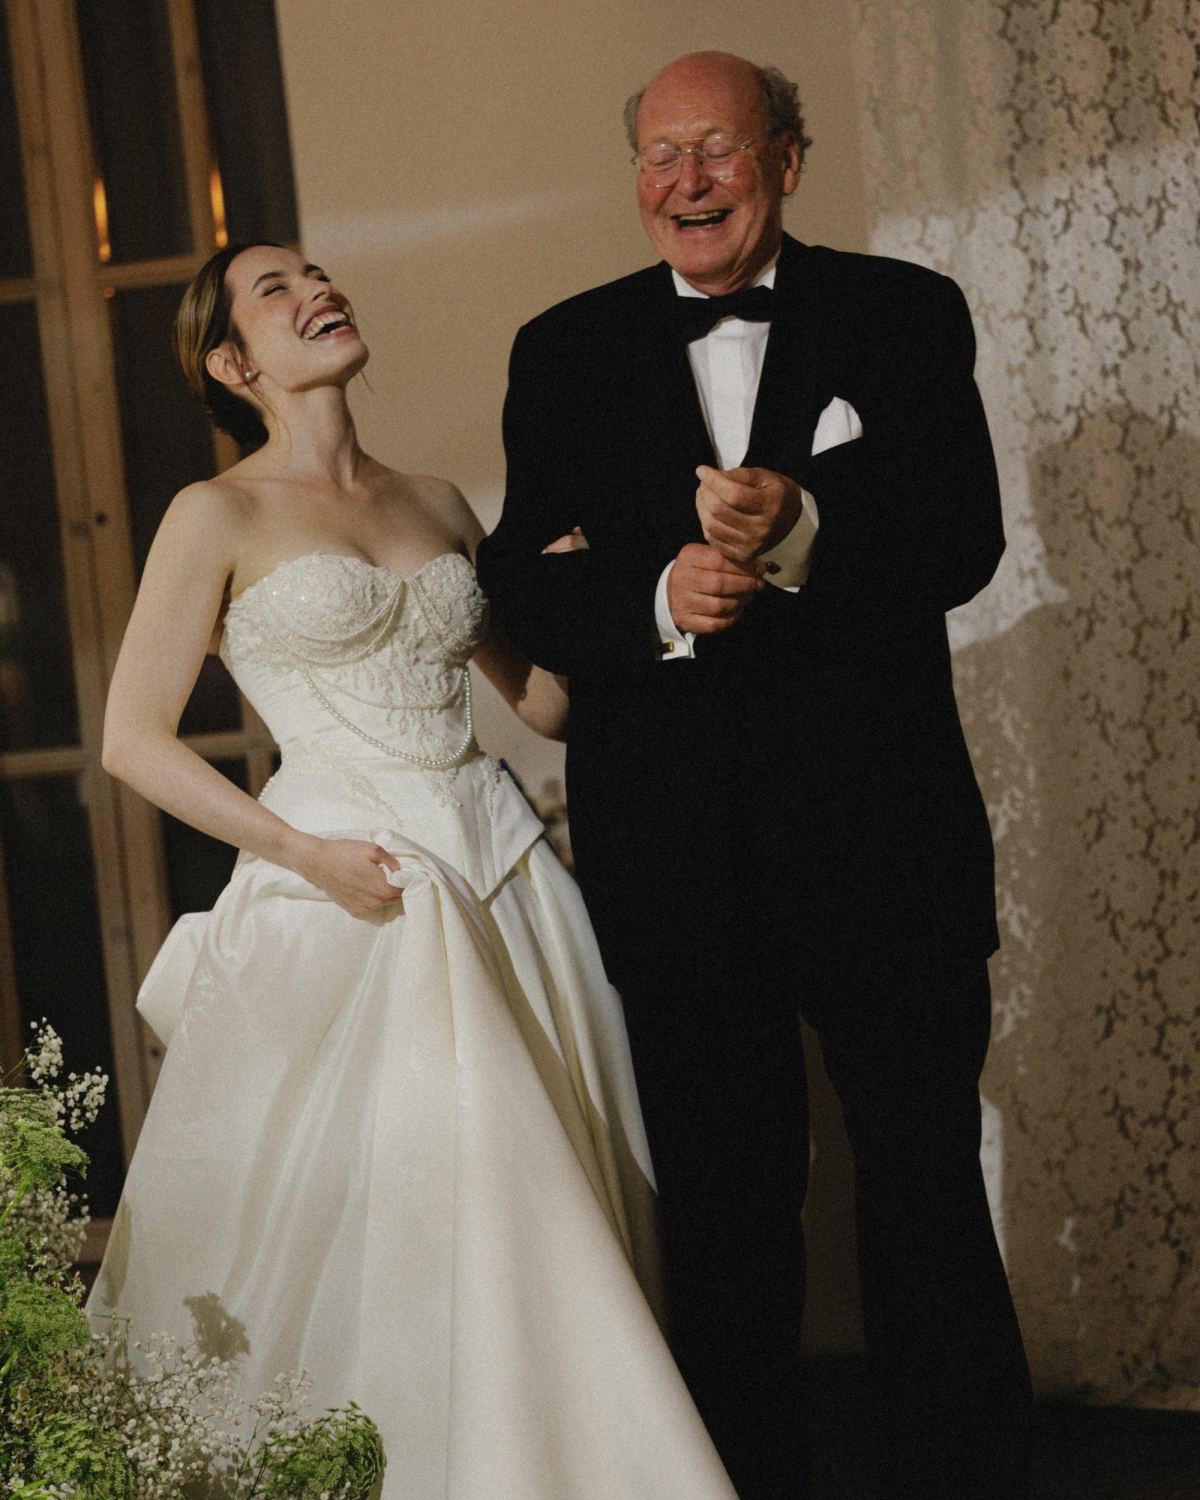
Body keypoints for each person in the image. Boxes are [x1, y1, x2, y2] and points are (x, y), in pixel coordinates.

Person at [87, 242, 740, 1500]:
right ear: (232, 364)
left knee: (537, 1218)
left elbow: (542, 703)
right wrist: (305, 855)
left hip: (500, 877)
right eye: (274, 291)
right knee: (396, 1218)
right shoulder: (215, 513)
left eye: (315, 274)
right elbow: (131, 740)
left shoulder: (438, 503)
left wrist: (631, 596)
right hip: (351, 886)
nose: (314, 292)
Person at [476, 50, 1032, 1500]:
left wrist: (801, 529)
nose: (689, 182)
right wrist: (656, 598)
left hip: (885, 841)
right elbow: (519, 578)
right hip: (676, 861)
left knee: (922, 1191)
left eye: (718, 148)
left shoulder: (905, 311)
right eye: (661, 155)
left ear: (787, 159)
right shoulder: (564, 347)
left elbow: (961, 536)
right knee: (725, 1223)